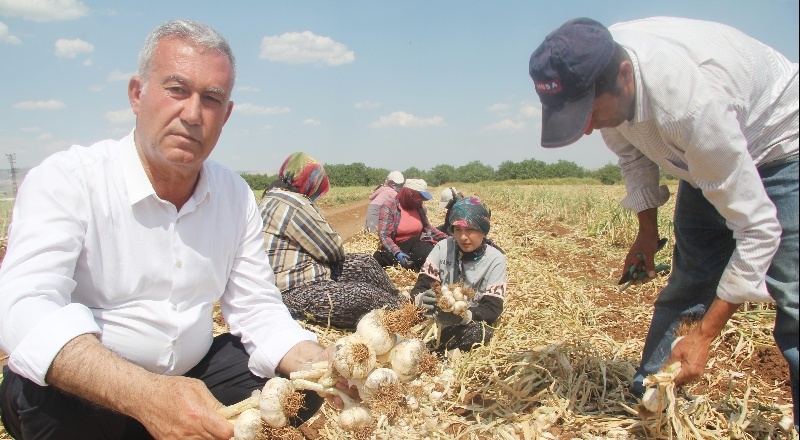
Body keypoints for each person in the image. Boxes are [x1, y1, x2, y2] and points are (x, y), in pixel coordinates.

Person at [0, 20, 351, 440]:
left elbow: (257, 308)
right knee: (64, 408)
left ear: (227, 114)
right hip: (89, 386)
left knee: (299, 388)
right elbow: (23, 307)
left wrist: (323, 361)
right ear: (137, 94)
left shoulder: (234, 195)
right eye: (176, 90)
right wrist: (147, 396)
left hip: (189, 372)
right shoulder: (69, 179)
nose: (191, 113)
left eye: (211, 99)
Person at [529, 16, 798, 427]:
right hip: (704, 154)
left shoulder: (690, 105)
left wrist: (705, 335)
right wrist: (646, 230)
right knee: (688, 282)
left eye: (587, 113)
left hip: (779, 140)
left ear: (624, 76)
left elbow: (759, 229)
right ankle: (649, 398)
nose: (584, 130)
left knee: (793, 300)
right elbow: (633, 153)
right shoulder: (598, 68)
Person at [259, 152, 404, 329]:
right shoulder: (294, 204)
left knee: (365, 263)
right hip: (292, 293)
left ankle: (400, 301)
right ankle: (402, 311)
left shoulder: (271, 196)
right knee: (363, 295)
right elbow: (333, 250)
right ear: (311, 183)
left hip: (298, 277)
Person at [412, 197, 507, 351]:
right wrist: (422, 298)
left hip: (466, 322)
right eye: (458, 230)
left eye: (470, 229)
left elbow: (492, 308)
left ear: (483, 230)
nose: (463, 237)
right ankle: (429, 345)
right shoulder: (443, 248)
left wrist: (463, 316)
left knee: (482, 332)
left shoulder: (495, 259)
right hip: (434, 318)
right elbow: (420, 288)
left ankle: (429, 347)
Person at [373, 178, 448, 271]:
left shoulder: (419, 207)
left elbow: (428, 229)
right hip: (398, 245)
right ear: (410, 194)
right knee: (378, 260)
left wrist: (447, 238)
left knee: (426, 253)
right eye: (419, 197)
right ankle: (407, 261)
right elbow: (384, 235)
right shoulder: (389, 206)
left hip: (418, 243)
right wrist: (397, 253)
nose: (421, 201)